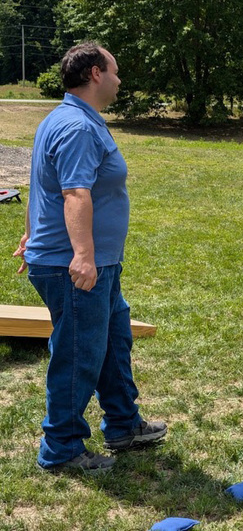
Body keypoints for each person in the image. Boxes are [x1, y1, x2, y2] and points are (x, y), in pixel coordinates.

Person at [12, 42, 166, 474]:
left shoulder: (69, 119)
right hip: (74, 265)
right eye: (115, 72)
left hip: (93, 262)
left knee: (113, 341)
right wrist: (81, 255)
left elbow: (39, 182)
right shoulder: (77, 127)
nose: (119, 80)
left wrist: (30, 233)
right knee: (79, 353)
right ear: (96, 73)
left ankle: (122, 424)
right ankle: (60, 448)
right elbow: (73, 193)